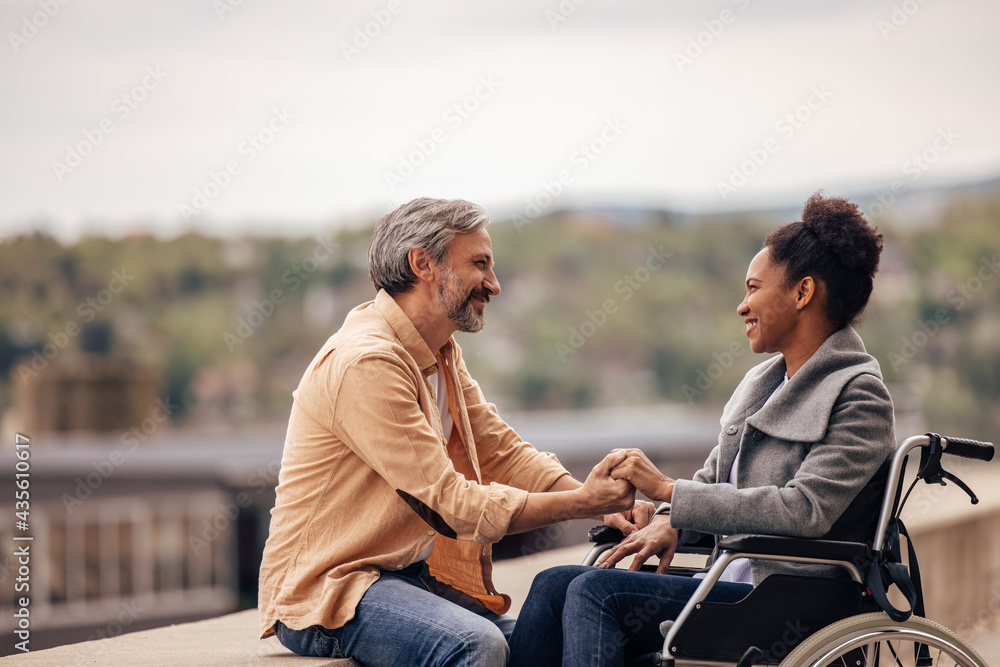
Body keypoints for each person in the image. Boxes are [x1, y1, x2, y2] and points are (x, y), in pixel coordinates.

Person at [258, 197, 651, 667]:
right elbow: (450, 504)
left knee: (552, 637)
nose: (495, 285)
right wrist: (581, 503)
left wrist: (600, 505)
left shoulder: (438, 351)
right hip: (331, 589)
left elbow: (499, 450)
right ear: (423, 264)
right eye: (479, 264)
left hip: (404, 575)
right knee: (476, 645)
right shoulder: (368, 363)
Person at [507, 192, 896, 666]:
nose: (742, 306)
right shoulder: (763, 385)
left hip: (785, 601)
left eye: (753, 288)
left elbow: (805, 511)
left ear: (802, 292)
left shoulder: (859, 395)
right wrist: (666, 516)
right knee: (552, 584)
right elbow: (712, 487)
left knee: (596, 593)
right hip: (728, 582)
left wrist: (670, 487)